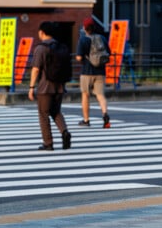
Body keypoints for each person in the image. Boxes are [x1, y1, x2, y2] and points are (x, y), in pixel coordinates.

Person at [28, 21, 72, 151]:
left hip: (45, 87)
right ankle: (64, 132)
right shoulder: (61, 46)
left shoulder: (41, 48)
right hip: (60, 86)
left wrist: (31, 88)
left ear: (42, 32)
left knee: (43, 114)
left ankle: (48, 143)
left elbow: (36, 69)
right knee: (56, 111)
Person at [76, 16, 111, 128]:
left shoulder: (83, 39)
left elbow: (79, 58)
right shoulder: (102, 38)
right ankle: (105, 114)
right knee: (100, 95)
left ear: (85, 28)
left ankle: (86, 120)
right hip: (100, 71)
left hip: (87, 72)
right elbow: (108, 53)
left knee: (85, 95)